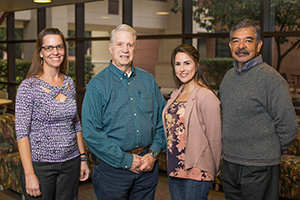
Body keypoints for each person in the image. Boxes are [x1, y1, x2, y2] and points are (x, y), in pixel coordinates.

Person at [81, 24, 166, 200]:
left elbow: (162, 121)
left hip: (147, 167)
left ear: (135, 48)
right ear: (110, 47)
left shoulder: (148, 80)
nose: (125, 50)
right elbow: (91, 133)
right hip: (112, 171)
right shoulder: (97, 85)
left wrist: (153, 153)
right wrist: (126, 161)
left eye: (129, 44)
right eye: (120, 44)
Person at [219, 18, 299, 200]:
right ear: (230, 45)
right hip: (230, 163)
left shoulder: (271, 79)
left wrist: (268, 152)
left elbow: (289, 126)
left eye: (248, 40)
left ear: (259, 45)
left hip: (260, 166)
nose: (241, 46)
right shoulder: (228, 77)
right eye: (236, 41)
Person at [15, 28, 90, 200]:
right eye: (48, 48)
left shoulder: (69, 83)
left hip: (70, 163)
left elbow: (76, 124)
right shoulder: (28, 88)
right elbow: (22, 133)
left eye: (59, 47)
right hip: (41, 166)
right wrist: (29, 174)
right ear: (40, 52)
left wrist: (83, 158)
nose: (55, 52)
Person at [162, 44, 222, 200]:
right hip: (175, 168)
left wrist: (212, 169)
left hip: (198, 170)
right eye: (177, 64)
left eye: (187, 63)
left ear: (197, 64)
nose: (182, 68)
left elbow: (215, 139)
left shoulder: (206, 96)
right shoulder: (175, 94)